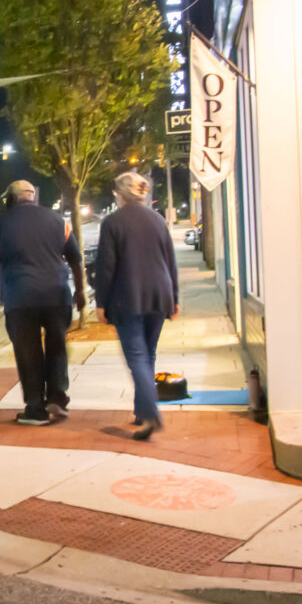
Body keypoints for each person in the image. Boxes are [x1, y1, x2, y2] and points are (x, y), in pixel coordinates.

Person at [0, 180, 87, 426]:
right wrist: (80, 291)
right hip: (56, 296)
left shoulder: (2, 223)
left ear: (11, 199)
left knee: (28, 353)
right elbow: (75, 258)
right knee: (57, 347)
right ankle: (57, 400)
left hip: (21, 298)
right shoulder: (57, 220)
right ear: (33, 197)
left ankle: (36, 409)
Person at [94, 172, 179, 441]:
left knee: (137, 358)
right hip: (159, 294)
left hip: (127, 297)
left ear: (120, 194)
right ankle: (142, 410)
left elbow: (106, 267)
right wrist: (174, 297)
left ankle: (151, 413)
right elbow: (170, 260)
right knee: (148, 354)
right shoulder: (157, 220)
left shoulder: (112, 223)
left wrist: (101, 303)